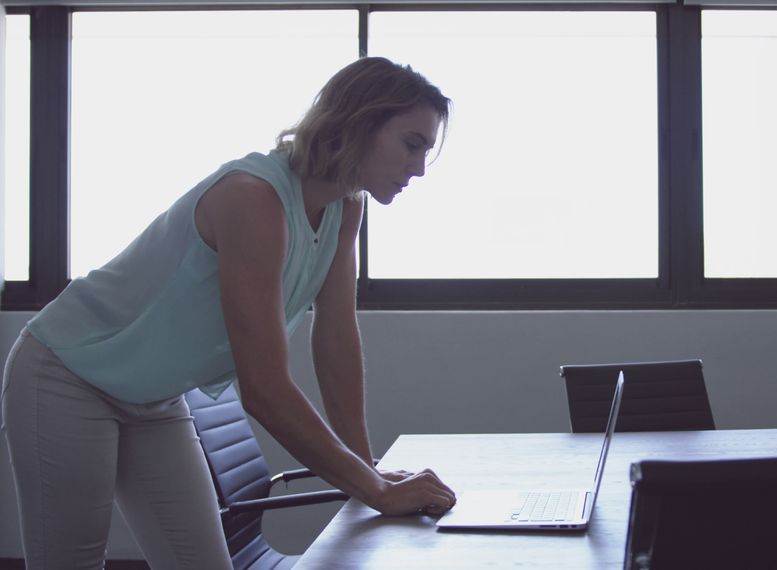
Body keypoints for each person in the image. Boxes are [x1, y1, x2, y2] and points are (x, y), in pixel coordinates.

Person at [1, 56, 457, 569]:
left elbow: (335, 339)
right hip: (66, 375)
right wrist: (372, 488)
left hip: (152, 399)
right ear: (359, 123)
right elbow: (262, 388)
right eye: (412, 144)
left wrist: (363, 471)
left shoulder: (346, 207)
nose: (418, 168)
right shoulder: (253, 198)